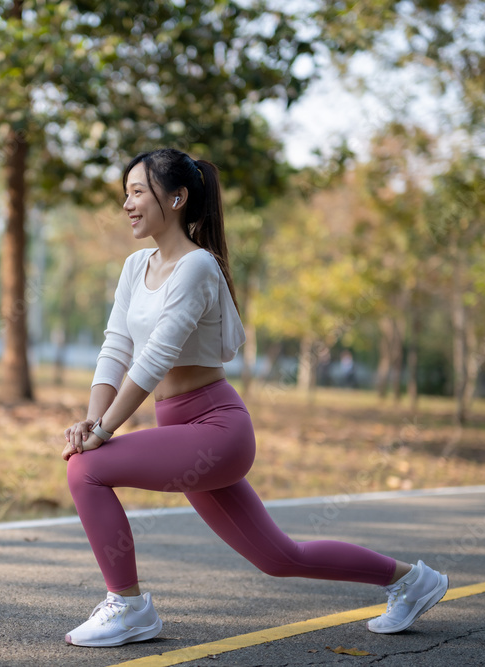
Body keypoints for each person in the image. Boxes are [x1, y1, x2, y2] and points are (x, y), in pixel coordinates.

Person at [60, 148, 449, 648]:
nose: (127, 204)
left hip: (215, 432)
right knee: (280, 558)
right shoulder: (137, 266)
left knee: (84, 469)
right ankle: (412, 581)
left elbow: (155, 358)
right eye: (126, 194)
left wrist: (104, 432)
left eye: (138, 192)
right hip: (180, 430)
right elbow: (116, 346)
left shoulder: (197, 266)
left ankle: (129, 607)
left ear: (176, 198)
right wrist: (92, 421)